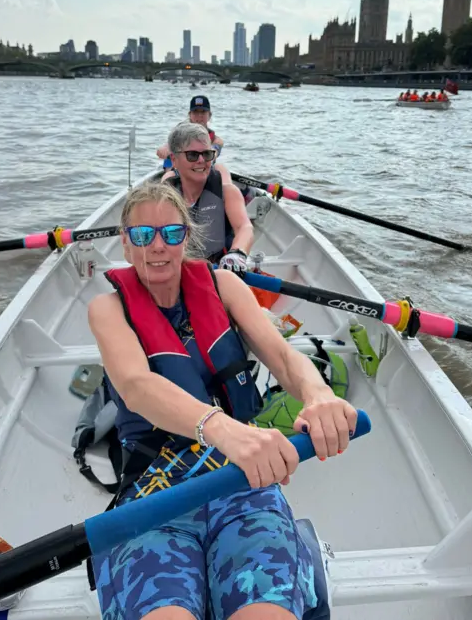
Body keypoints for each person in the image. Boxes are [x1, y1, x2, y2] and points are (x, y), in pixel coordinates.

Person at [87, 181, 359, 620]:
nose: (157, 247)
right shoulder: (107, 308)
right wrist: (223, 430)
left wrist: (319, 394)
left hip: (241, 480)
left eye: (171, 234)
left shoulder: (224, 286)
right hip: (157, 490)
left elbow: (286, 358)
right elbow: (137, 386)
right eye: (142, 235)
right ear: (124, 241)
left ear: (187, 237)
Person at [163, 121, 253, 270]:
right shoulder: (163, 196)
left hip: (219, 271)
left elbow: (244, 227)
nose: (201, 161)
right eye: (192, 155)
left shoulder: (228, 192)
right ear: (174, 160)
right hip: (177, 271)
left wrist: (237, 253)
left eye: (206, 154)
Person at [157, 95, 224, 162]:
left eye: (203, 112)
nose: (199, 115)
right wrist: (165, 148)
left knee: (220, 167)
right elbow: (168, 145)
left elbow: (215, 151)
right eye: (195, 112)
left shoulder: (216, 139)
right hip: (179, 167)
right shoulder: (180, 133)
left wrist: (213, 152)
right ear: (190, 115)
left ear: (209, 115)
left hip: (203, 168)